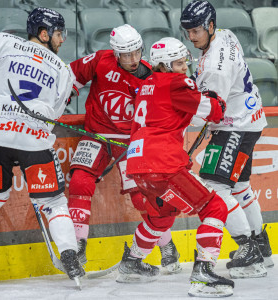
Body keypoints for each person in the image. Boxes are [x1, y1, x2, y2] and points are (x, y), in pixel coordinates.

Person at [121, 37, 234, 297]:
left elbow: (173, 113)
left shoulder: (147, 84)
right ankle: (203, 274)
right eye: (179, 62)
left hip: (137, 163)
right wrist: (216, 100)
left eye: (185, 62)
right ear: (164, 65)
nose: (185, 67)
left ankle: (132, 262)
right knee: (215, 207)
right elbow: (214, 112)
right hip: (163, 163)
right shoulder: (176, 82)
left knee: (160, 218)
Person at [0, 7, 84, 285]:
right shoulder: (63, 71)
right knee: (52, 201)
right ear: (44, 33)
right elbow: (54, 115)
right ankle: (70, 258)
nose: (62, 40)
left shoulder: (2, 42)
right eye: (59, 34)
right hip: (33, 140)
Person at [68, 24, 181, 275]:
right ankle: (77, 246)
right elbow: (71, 75)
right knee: (79, 182)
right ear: (115, 52)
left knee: (141, 196)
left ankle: (166, 244)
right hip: (97, 134)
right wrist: (64, 95)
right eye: (125, 55)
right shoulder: (100, 60)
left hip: (131, 142)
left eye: (136, 53)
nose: (132, 60)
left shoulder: (151, 75)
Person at [180, 0, 273, 278]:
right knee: (241, 186)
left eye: (196, 30)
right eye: (188, 31)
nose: (191, 37)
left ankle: (247, 249)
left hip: (235, 126)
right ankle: (261, 246)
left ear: (210, 26)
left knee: (215, 186)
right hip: (250, 120)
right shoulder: (226, 34)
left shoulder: (214, 69)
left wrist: (174, 117)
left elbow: (207, 113)